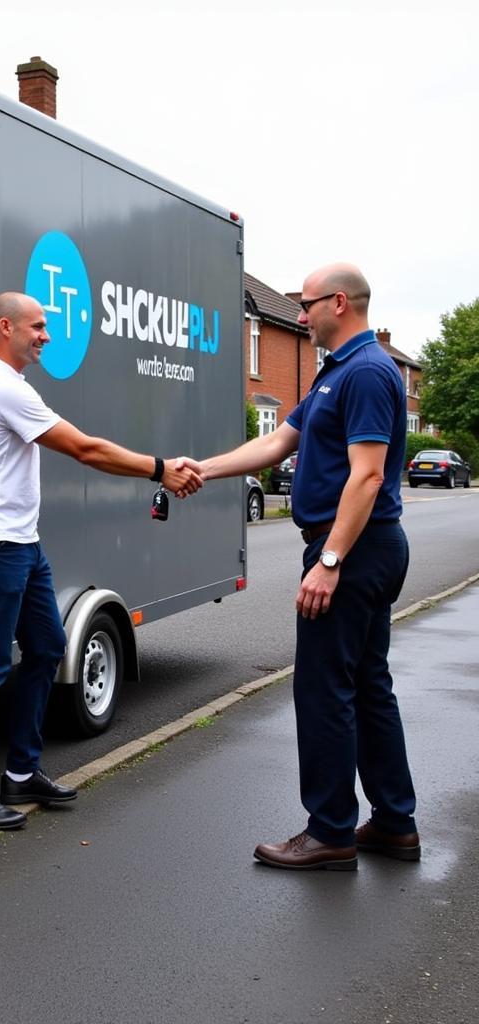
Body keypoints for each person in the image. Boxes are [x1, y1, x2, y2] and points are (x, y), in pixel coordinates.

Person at [179, 262, 420, 869]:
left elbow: (367, 475)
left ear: (340, 303)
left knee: (324, 691)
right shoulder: (334, 375)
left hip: (354, 550)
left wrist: (331, 559)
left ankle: (331, 831)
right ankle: (393, 822)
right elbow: (276, 442)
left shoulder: (366, 372)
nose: (300, 315)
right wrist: (202, 469)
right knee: (367, 686)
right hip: (365, 549)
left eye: (306, 304)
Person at [0, 291, 203, 830]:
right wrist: (159, 468)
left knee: (46, 648)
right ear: (6, 327)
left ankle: (20, 773)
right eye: (37, 327)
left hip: (19, 543)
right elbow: (85, 449)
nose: (45, 336)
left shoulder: (11, 386)